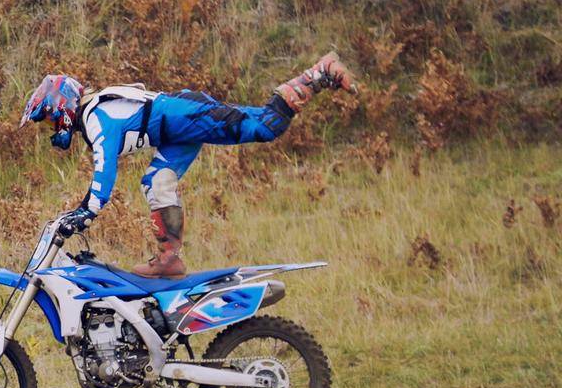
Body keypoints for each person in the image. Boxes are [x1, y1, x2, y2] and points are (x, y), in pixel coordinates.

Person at [20, 54, 357, 278]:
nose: (52, 128)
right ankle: (169, 259)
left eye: (49, 120)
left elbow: (104, 171)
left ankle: (319, 72)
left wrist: (85, 212)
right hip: (174, 131)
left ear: (60, 107)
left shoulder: (95, 118)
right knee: (156, 182)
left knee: (266, 126)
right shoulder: (94, 111)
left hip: (185, 117)